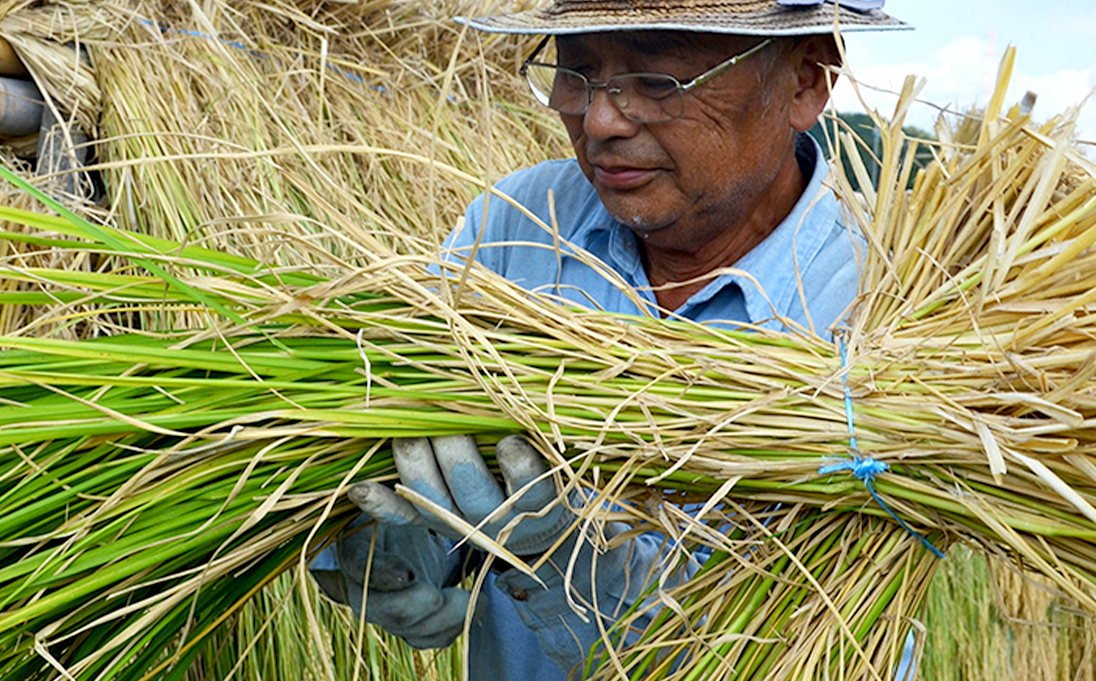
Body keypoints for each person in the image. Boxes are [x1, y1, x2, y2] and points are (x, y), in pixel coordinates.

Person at [309, 1, 912, 679]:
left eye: (657, 81)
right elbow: (403, 457)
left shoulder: (883, 305)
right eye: (576, 69)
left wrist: (568, 558)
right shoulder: (513, 230)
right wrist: (393, 549)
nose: (599, 121)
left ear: (805, 79)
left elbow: (806, 644)